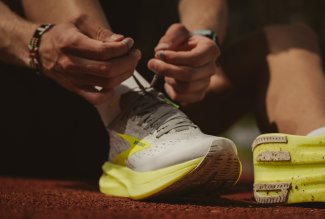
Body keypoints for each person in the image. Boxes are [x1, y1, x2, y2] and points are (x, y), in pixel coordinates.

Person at [0, 0, 324, 202]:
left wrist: (203, 38)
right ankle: (123, 103)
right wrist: (33, 42)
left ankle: (313, 156)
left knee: (291, 39)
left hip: (157, 118)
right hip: (25, 116)